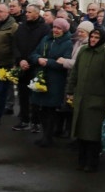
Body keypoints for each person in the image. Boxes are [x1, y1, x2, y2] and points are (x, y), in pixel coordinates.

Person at [66, 27, 105, 172]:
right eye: (92, 37)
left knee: (93, 134)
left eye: (96, 37)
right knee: (81, 132)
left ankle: (92, 162)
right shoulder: (83, 51)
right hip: (81, 98)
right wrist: (70, 91)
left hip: (97, 100)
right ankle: (81, 160)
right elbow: (75, 73)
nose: (93, 40)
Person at [29, 17, 75, 146]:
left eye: (59, 28)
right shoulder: (46, 39)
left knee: (50, 110)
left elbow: (63, 62)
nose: (55, 30)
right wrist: (38, 59)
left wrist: (48, 62)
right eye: (54, 27)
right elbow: (34, 54)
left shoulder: (67, 43)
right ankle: (44, 135)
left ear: (64, 30)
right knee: (40, 108)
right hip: (41, 77)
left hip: (55, 81)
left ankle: (48, 137)